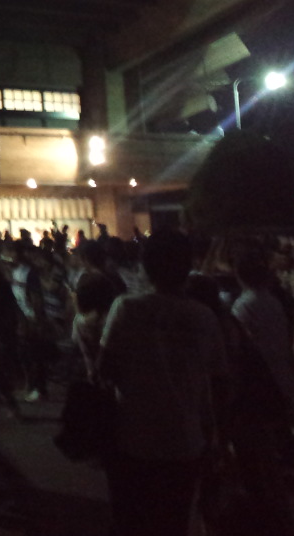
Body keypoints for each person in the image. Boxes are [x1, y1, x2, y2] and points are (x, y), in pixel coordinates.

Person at [98, 229, 227, 536]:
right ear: (186, 267)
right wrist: (215, 435)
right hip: (186, 440)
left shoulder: (126, 308)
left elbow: (104, 369)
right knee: (174, 521)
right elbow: (220, 383)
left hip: (133, 437)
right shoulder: (204, 316)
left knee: (133, 521)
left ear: (146, 265)